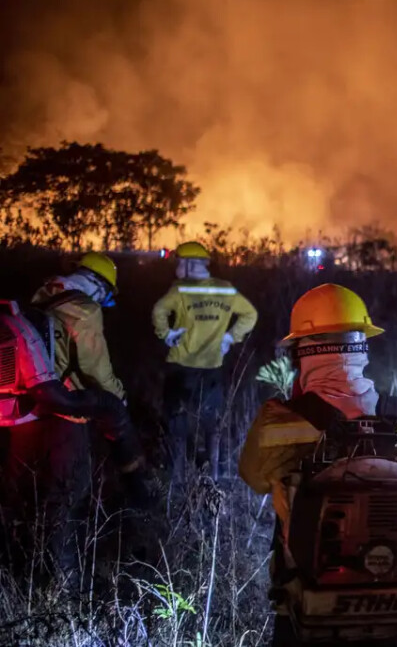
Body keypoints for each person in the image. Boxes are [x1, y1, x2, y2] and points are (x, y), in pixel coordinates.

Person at [238, 284, 397, 645]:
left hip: (307, 607)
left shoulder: (280, 421)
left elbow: (253, 476)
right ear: (362, 347)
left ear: (303, 353)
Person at [1, 300, 150, 588]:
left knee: (25, 504)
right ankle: (62, 592)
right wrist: (114, 402)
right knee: (64, 506)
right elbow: (62, 389)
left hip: (24, 426)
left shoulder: (30, 311)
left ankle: (31, 585)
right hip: (56, 424)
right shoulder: (21, 325)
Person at [152, 241, 257, 483]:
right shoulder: (227, 290)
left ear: (190, 264)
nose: (177, 267)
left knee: (176, 421)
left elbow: (158, 311)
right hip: (212, 366)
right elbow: (251, 314)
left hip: (181, 365)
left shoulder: (180, 290)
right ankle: (214, 476)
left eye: (179, 262)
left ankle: (176, 478)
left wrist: (167, 334)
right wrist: (231, 337)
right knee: (212, 422)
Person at [31, 252, 126, 400]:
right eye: (105, 295)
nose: (102, 300)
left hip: (32, 392)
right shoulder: (88, 311)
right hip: (66, 403)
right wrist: (120, 398)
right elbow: (96, 370)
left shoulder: (42, 292)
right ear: (98, 284)